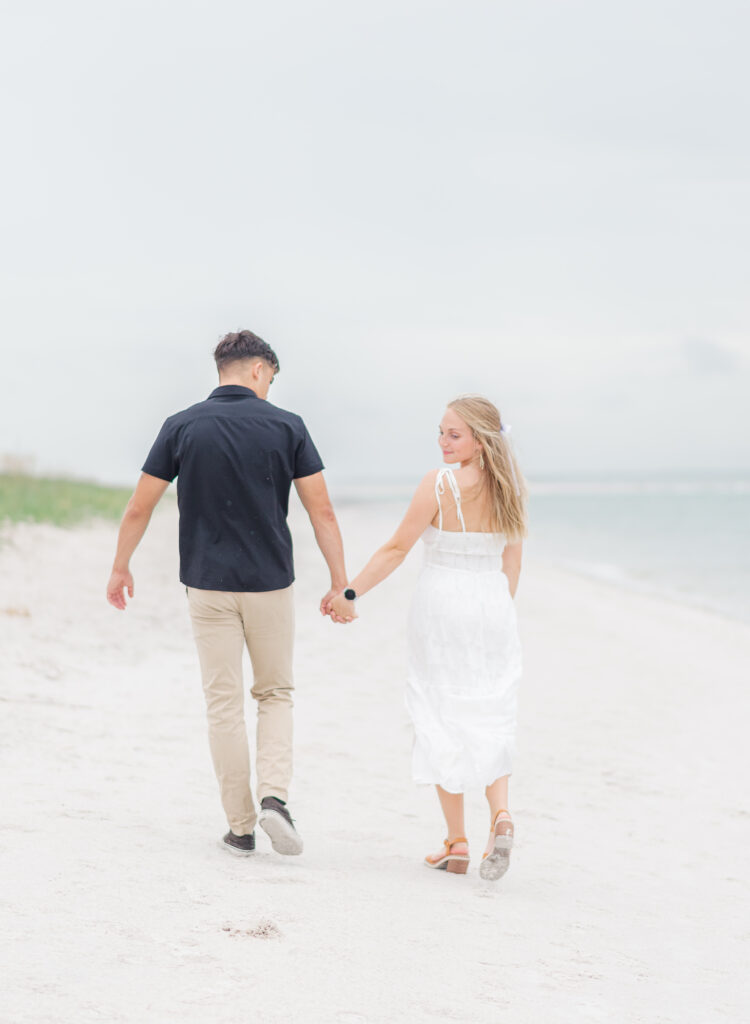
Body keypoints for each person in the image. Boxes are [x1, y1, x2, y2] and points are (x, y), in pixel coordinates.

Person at [106, 330, 348, 857]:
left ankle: (240, 828)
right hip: (269, 585)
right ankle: (274, 800)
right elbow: (321, 510)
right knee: (275, 693)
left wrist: (120, 567)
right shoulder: (288, 426)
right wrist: (339, 583)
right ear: (260, 370)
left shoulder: (182, 425)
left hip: (207, 585)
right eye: (271, 379)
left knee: (223, 704)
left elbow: (139, 506)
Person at [329, 394, 527, 881]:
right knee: (490, 708)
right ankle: (499, 815)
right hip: (492, 607)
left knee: (439, 714)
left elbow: (397, 548)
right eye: (440, 432)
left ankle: (457, 842)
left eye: (453, 434)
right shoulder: (511, 490)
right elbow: (512, 564)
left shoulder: (439, 485)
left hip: (442, 606)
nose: (443, 442)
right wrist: (497, 611)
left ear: (480, 442)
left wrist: (350, 592)